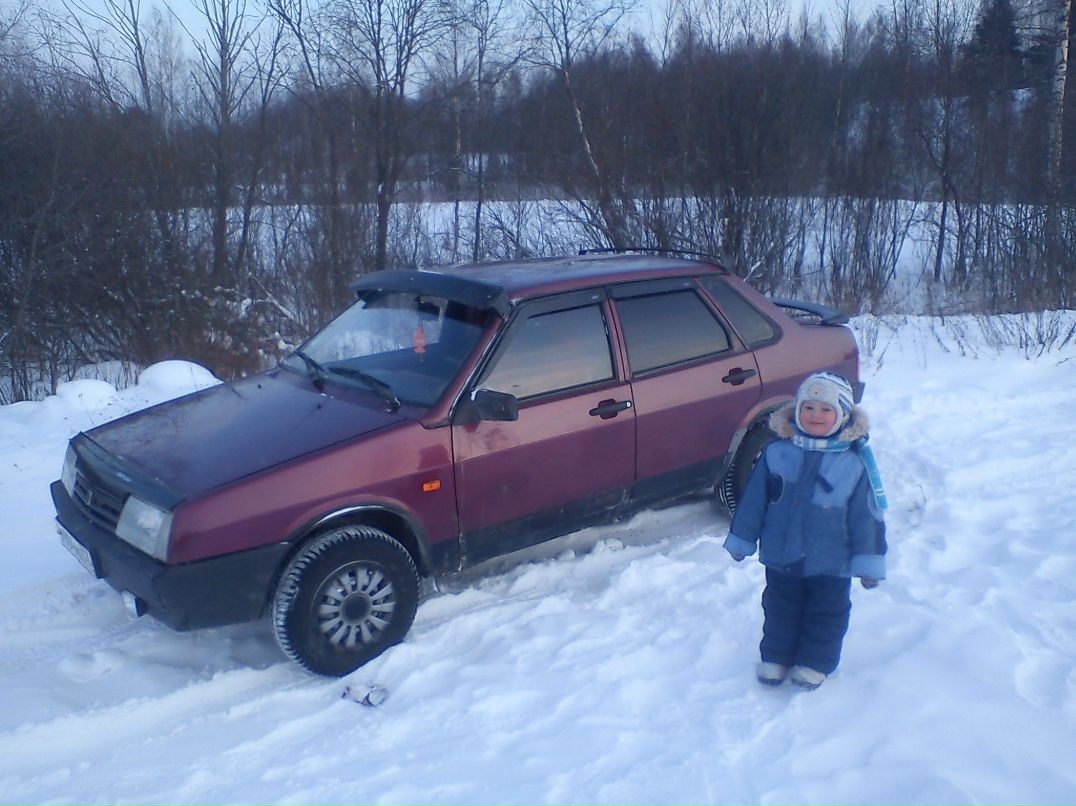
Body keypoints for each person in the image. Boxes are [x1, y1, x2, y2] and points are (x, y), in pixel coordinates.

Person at [724, 371, 887, 690]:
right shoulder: (777, 452)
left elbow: (866, 517)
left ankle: (815, 662)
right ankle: (776, 656)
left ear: (842, 416)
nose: (816, 415)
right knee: (779, 608)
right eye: (808, 408)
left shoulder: (854, 463)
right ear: (796, 411)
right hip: (781, 553)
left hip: (831, 560)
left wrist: (868, 564)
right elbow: (755, 500)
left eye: (826, 410)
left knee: (825, 613)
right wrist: (742, 539)